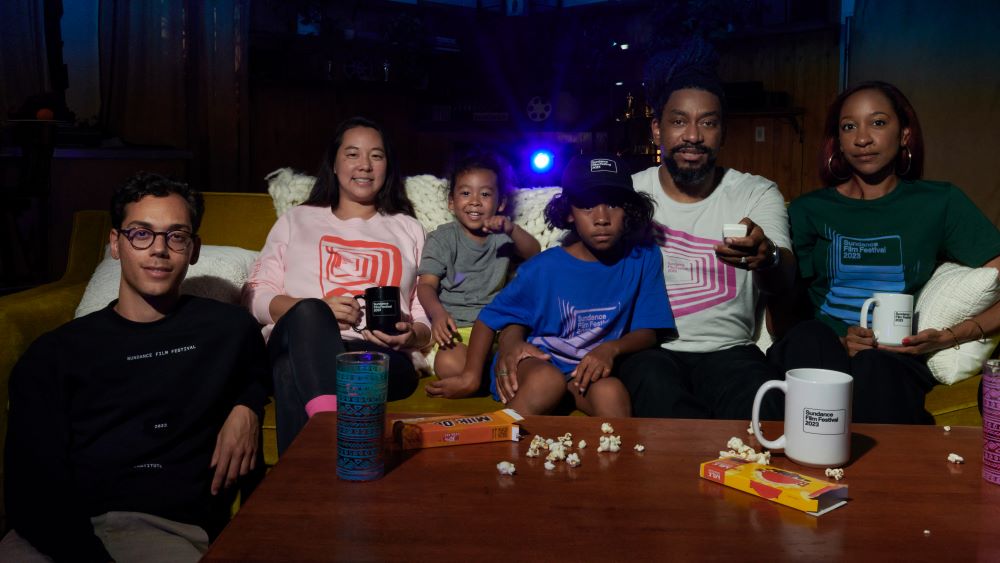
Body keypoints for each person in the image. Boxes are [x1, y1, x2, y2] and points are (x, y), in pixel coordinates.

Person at [494, 39, 794, 420]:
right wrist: (512, 338)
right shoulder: (623, 194)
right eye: (679, 121)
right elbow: (557, 270)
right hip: (647, 353)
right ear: (657, 129)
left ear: (722, 132)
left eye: (708, 123)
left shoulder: (756, 193)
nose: (693, 136)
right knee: (661, 406)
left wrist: (766, 258)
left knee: (769, 412)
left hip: (730, 351)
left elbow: (787, 273)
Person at [1, 173, 269, 562]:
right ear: (115, 244)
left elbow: (260, 367)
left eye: (176, 236)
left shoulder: (227, 329)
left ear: (193, 249)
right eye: (141, 234)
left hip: (162, 531)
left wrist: (248, 406)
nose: (159, 249)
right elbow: (30, 491)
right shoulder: (55, 353)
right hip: (50, 532)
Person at [768, 81, 1000, 424]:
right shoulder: (808, 209)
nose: (863, 138)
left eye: (878, 123)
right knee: (810, 337)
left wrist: (951, 335)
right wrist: (837, 340)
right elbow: (784, 316)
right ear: (839, 141)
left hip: (892, 357)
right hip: (816, 349)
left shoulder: (939, 201)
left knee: (876, 365)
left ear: (904, 134)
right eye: (849, 127)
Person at [244, 116, 431, 455]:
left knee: (289, 372)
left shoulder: (408, 228)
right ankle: (333, 437)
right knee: (310, 315)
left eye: (376, 155)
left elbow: (422, 309)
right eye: (352, 154)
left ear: (388, 166)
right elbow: (255, 294)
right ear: (333, 162)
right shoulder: (296, 220)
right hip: (295, 340)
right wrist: (313, 311)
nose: (365, 165)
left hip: (380, 358)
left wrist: (413, 335)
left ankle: (302, 485)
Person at [441, 153, 675, 417]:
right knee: (548, 382)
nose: (601, 218)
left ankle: (612, 458)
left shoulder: (643, 257)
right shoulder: (543, 268)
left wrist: (611, 348)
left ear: (629, 210)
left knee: (612, 394)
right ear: (569, 213)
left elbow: (649, 332)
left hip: (584, 371)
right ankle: (494, 440)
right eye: (587, 206)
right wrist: (471, 377)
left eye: (613, 204)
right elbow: (489, 318)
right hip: (536, 365)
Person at [418, 150, 540, 393]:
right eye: (465, 193)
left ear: (501, 203)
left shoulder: (502, 238)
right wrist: (439, 315)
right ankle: (491, 377)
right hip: (459, 329)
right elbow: (426, 285)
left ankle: (492, 374)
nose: (474, 201)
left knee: (530, 359)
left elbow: (535, 253)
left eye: (485, 194)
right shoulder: (442, 239)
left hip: (499, 328)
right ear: (451, 202)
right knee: (447, 363)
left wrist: (511, 229)